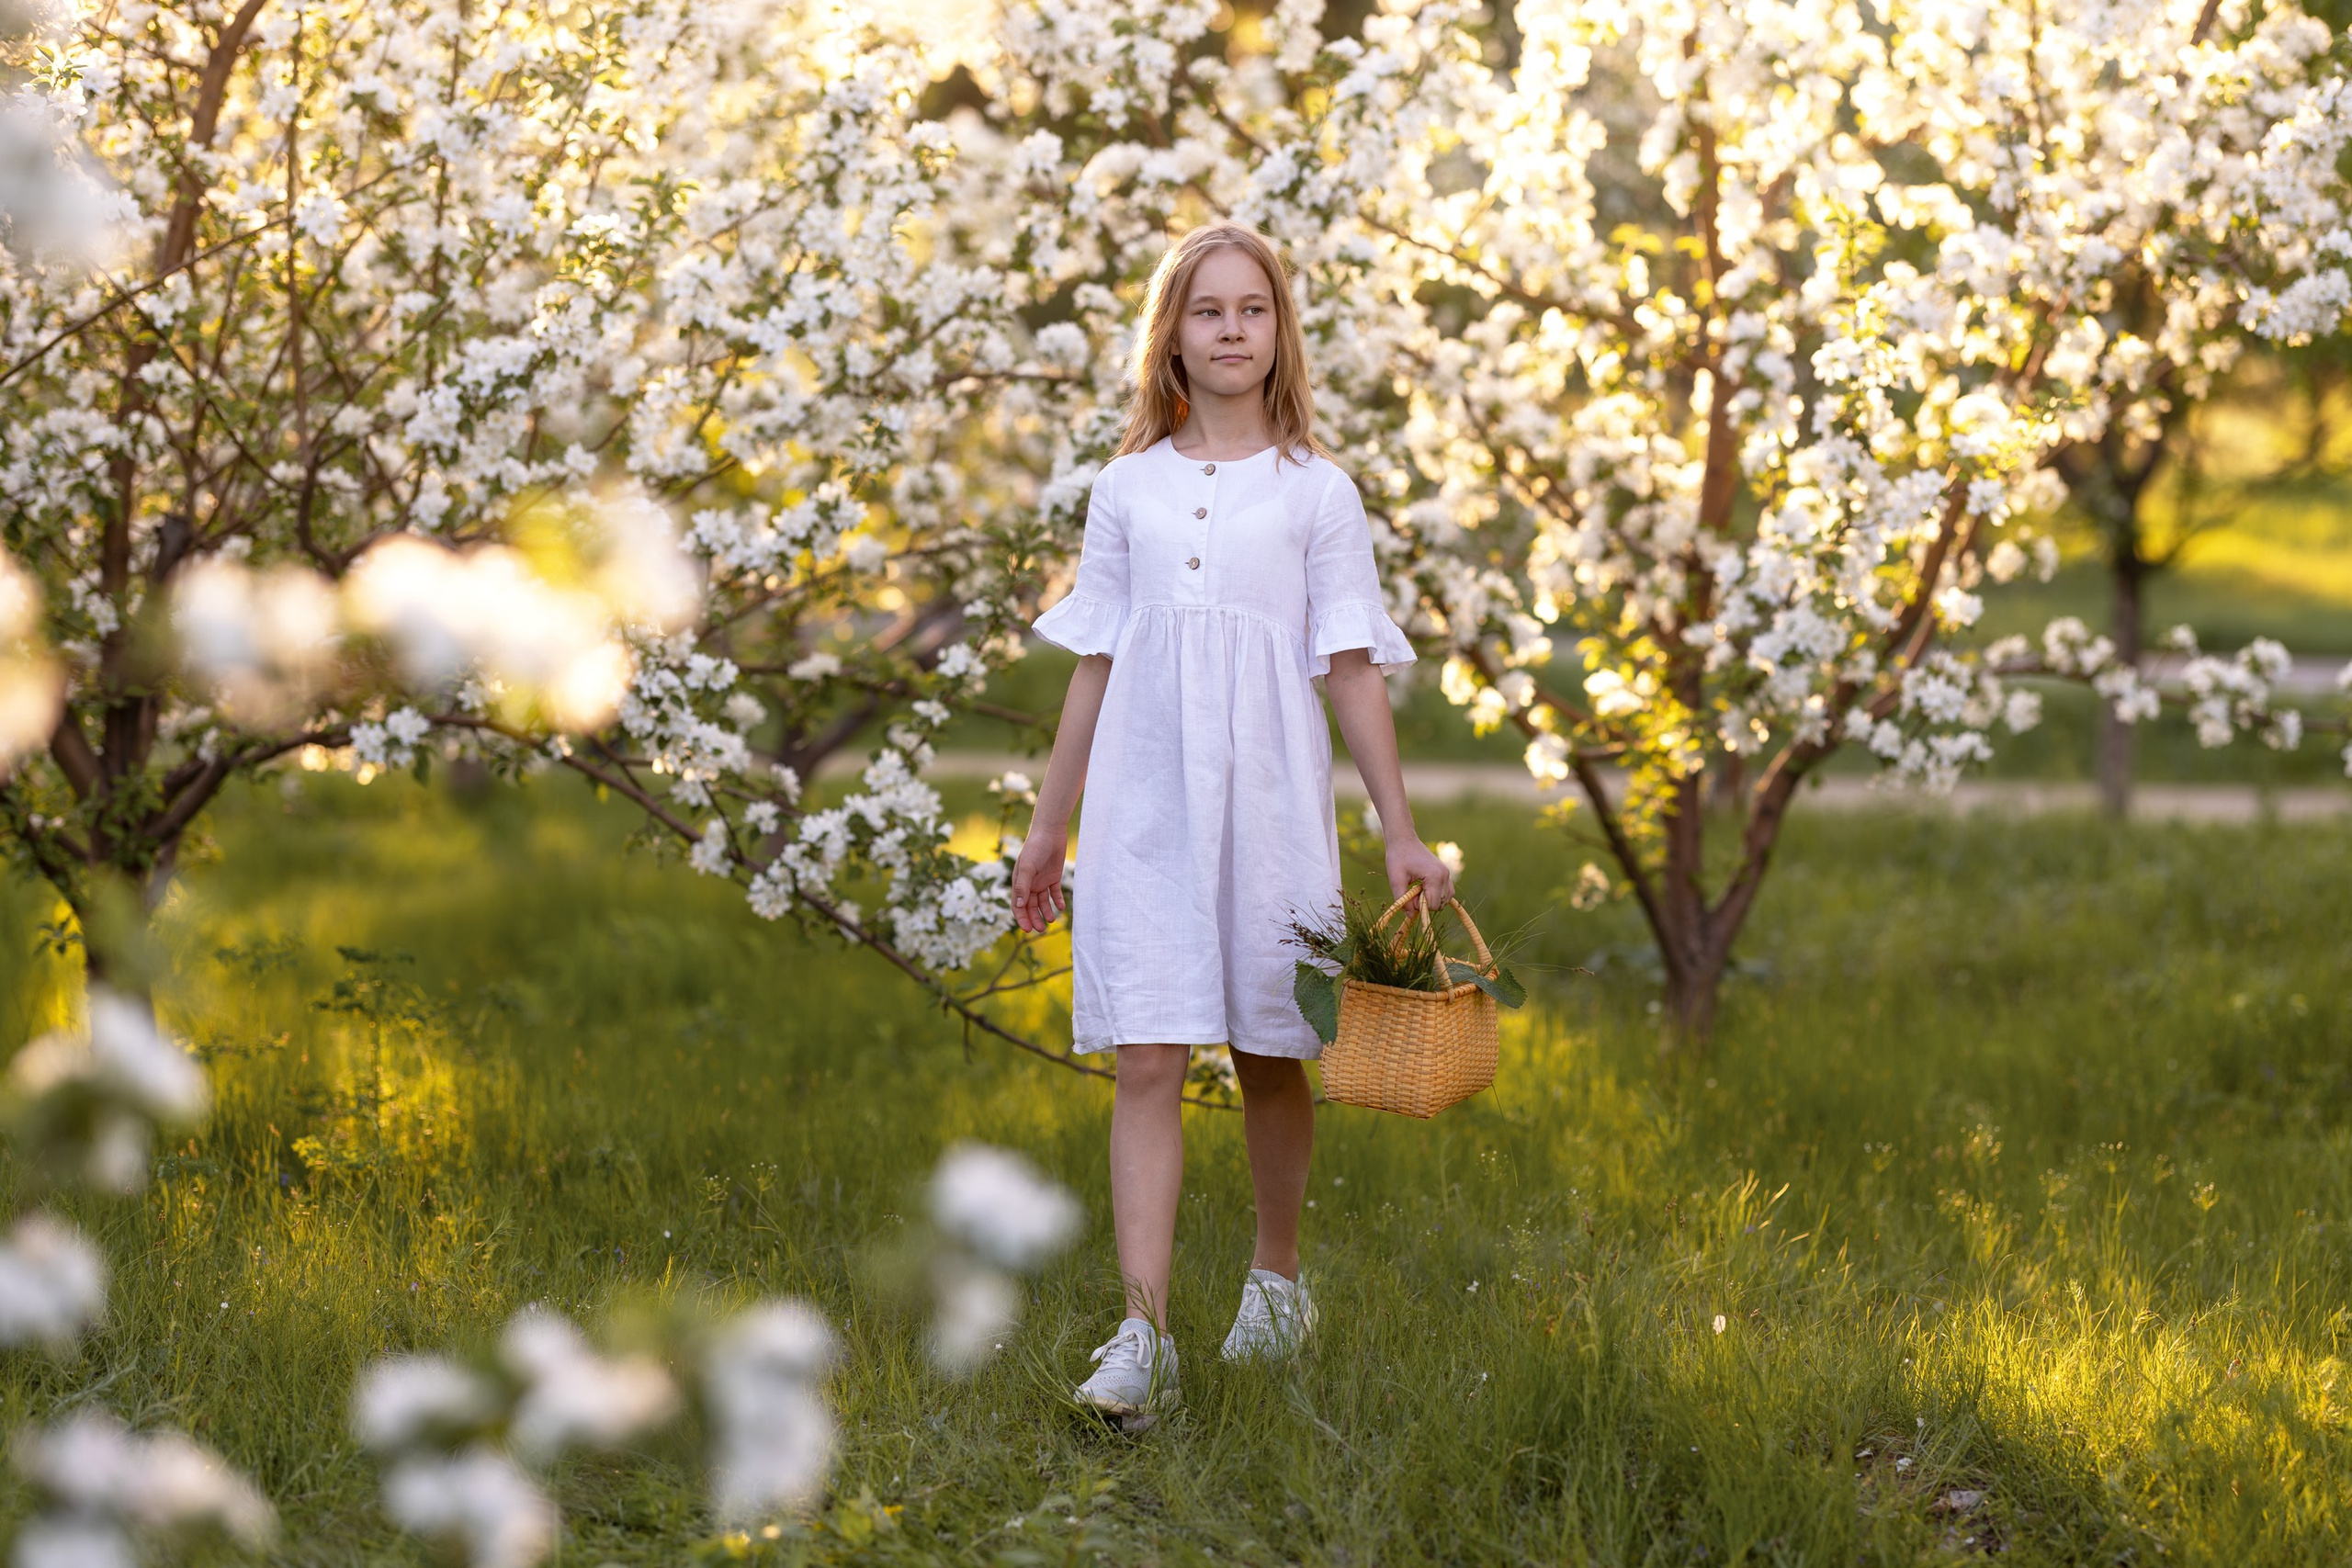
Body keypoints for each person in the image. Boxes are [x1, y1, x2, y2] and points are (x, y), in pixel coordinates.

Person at [1009, 221, 1453, 1428]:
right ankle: (1143, 1333)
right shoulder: (1127, 489)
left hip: (1270, 805)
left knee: (1269, 1045)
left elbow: (1351, 667)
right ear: (1173, 335)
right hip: (1144, 804)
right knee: (1148, 1051)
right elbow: (1097, 662)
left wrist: (1401, 830)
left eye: (1253, 309)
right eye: (1207, 310)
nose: (1231, 330)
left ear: (1279, 331)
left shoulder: (1317, 492)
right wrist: (1050, 830)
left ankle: (1277, 1283)